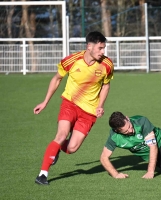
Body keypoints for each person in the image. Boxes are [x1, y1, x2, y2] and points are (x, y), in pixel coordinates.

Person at [33, 31, 114, 185]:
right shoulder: (72, 60)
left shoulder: (107, 65)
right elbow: (57, 79)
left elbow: (106, 85)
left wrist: (100, 105)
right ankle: (42, 174)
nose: (103, 52)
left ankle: (56, 149)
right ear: (89, 46)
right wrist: (45, 102)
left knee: (72, 148)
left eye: (104, 48)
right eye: (100, 48)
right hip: (70, 103)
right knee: (61, 135)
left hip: (89, 112)